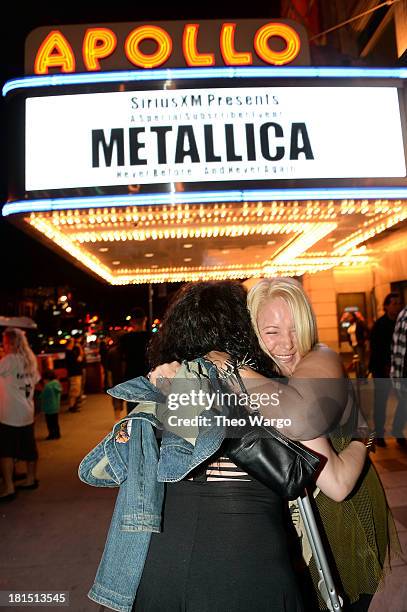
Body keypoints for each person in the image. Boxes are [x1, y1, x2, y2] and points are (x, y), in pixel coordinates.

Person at [131, 282, 368, 611]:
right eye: (270, 330)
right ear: (247, 329)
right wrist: (362, 437)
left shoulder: (171, 386)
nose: (284, 342)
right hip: (248, 568)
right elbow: (337, 482)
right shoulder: (269, 392)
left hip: (159, 570)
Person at [246, 277, 399, 611]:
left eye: (295, 328)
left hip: (341, 515)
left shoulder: (321, 356)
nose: (287, 343)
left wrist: (361, 440)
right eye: (272, 332)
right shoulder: (268, 372)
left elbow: (338, 485)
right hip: (313, 514)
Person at [0, 328, 41, 501]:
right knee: (29, 447)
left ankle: (9, 488)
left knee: (5, 451)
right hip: (27, 411)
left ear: (8, 342)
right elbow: (36, 380)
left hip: (9, 413)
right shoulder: (30, 359)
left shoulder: (7, 360)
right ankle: (30, 479)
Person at [369, 293, 402, 446]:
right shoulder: (380, 325)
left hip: (400, 370)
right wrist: (384, 365)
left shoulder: (402, 324)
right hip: (382, 370)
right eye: (394, 303)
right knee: (381, 402)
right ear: (386, 306)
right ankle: (379, 435)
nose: (397, 306)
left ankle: (398, 430)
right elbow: (376, 349)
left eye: (399, 303)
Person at [120, 307, 150, 414]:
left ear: (131, 321)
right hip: (148, 379)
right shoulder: (152, 337)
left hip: (131, 379)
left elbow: (122, 362)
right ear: (145, 319)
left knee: (132, 412)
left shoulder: (125, 339)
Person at [390, 304, 407, 447]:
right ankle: (396, 430)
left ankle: (397, 429)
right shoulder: (404, 315)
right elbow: (397, 350)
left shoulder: (402, 314)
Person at [40, 369, 62, 440]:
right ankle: (57, 434)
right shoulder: (57, 383)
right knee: (55, 422)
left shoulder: (48, 386)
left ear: (46, 378)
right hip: (56, 407)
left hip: (49, 408)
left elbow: (42, 396)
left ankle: (51, 435)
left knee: (50, 423)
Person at [64, 338, 83, 412]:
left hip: (74, 373)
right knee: (74, 390)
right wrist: (79, 347)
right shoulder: (69, 352)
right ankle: (72, 406)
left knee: (75, 390)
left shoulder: (69, 352)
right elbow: (79, 359)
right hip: (74, 374)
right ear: (70, 343)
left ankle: (73, 405)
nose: (74, 343)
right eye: (72, 342)